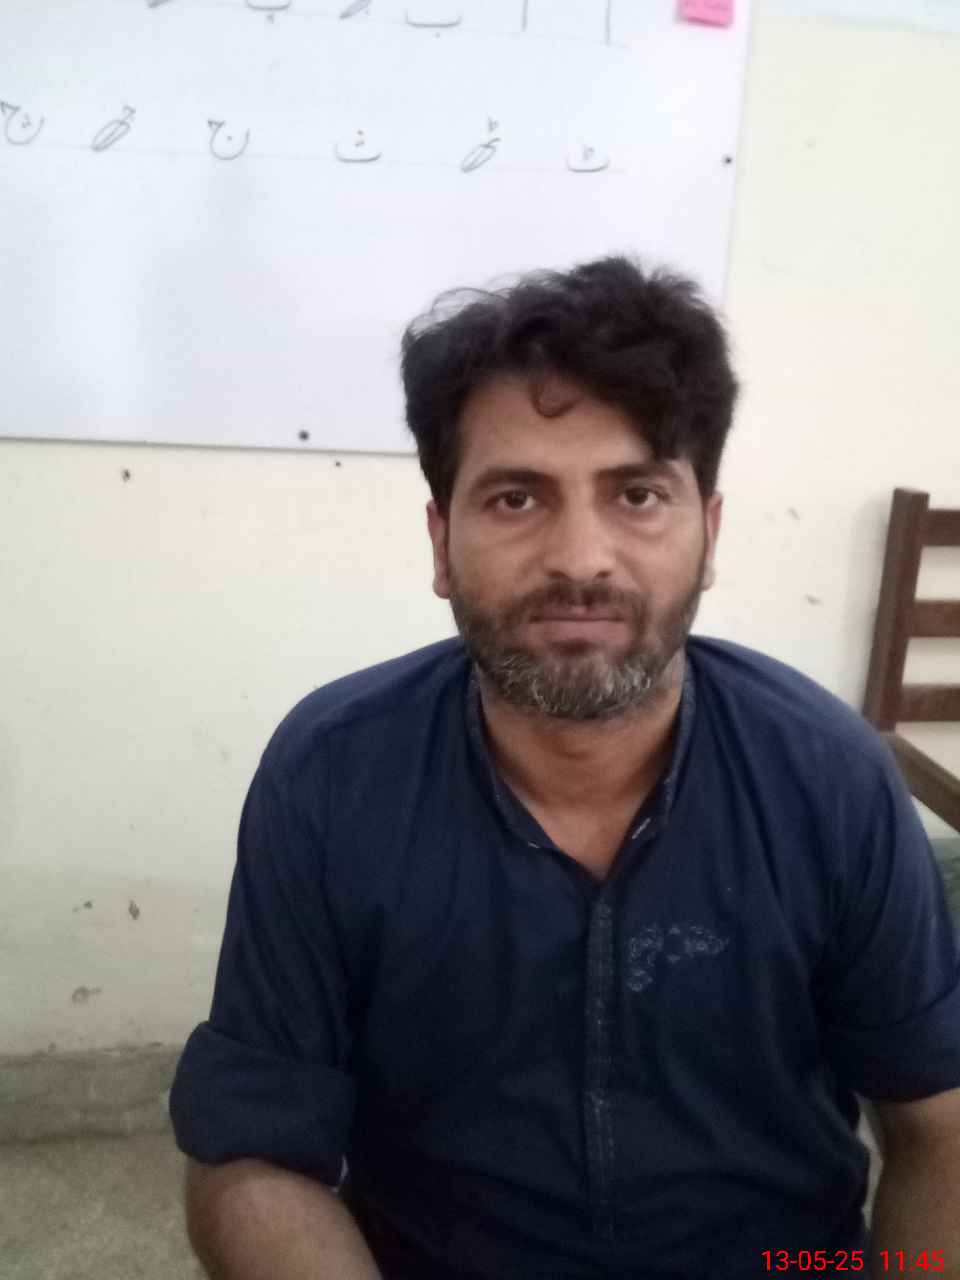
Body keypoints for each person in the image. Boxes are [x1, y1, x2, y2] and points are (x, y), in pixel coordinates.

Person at [169, 256, 960, 1280]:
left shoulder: (832, 780)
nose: (581, 557)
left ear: (709, 532)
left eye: (637, 493)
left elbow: (941, 1130)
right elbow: (252, 1153)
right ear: (441, 541)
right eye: (515, 498)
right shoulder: (330, 777)